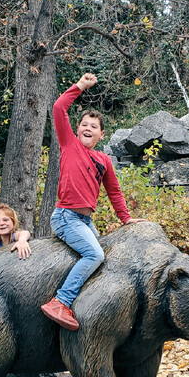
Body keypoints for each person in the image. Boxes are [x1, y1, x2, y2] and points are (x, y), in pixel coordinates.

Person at [40, 73, 144, 331]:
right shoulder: (69, 145)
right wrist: (80, 86)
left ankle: (88, 306)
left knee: (103, 259)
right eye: (84, 124)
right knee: (94, 253)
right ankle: (59, 302)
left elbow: (114, 191)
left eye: (93, 126)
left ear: (102, 134)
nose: (87, 128)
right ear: (77, 129)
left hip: (85, 221)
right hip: (66, 217)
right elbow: (58, 107)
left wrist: (126, 219)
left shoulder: (104, 160)